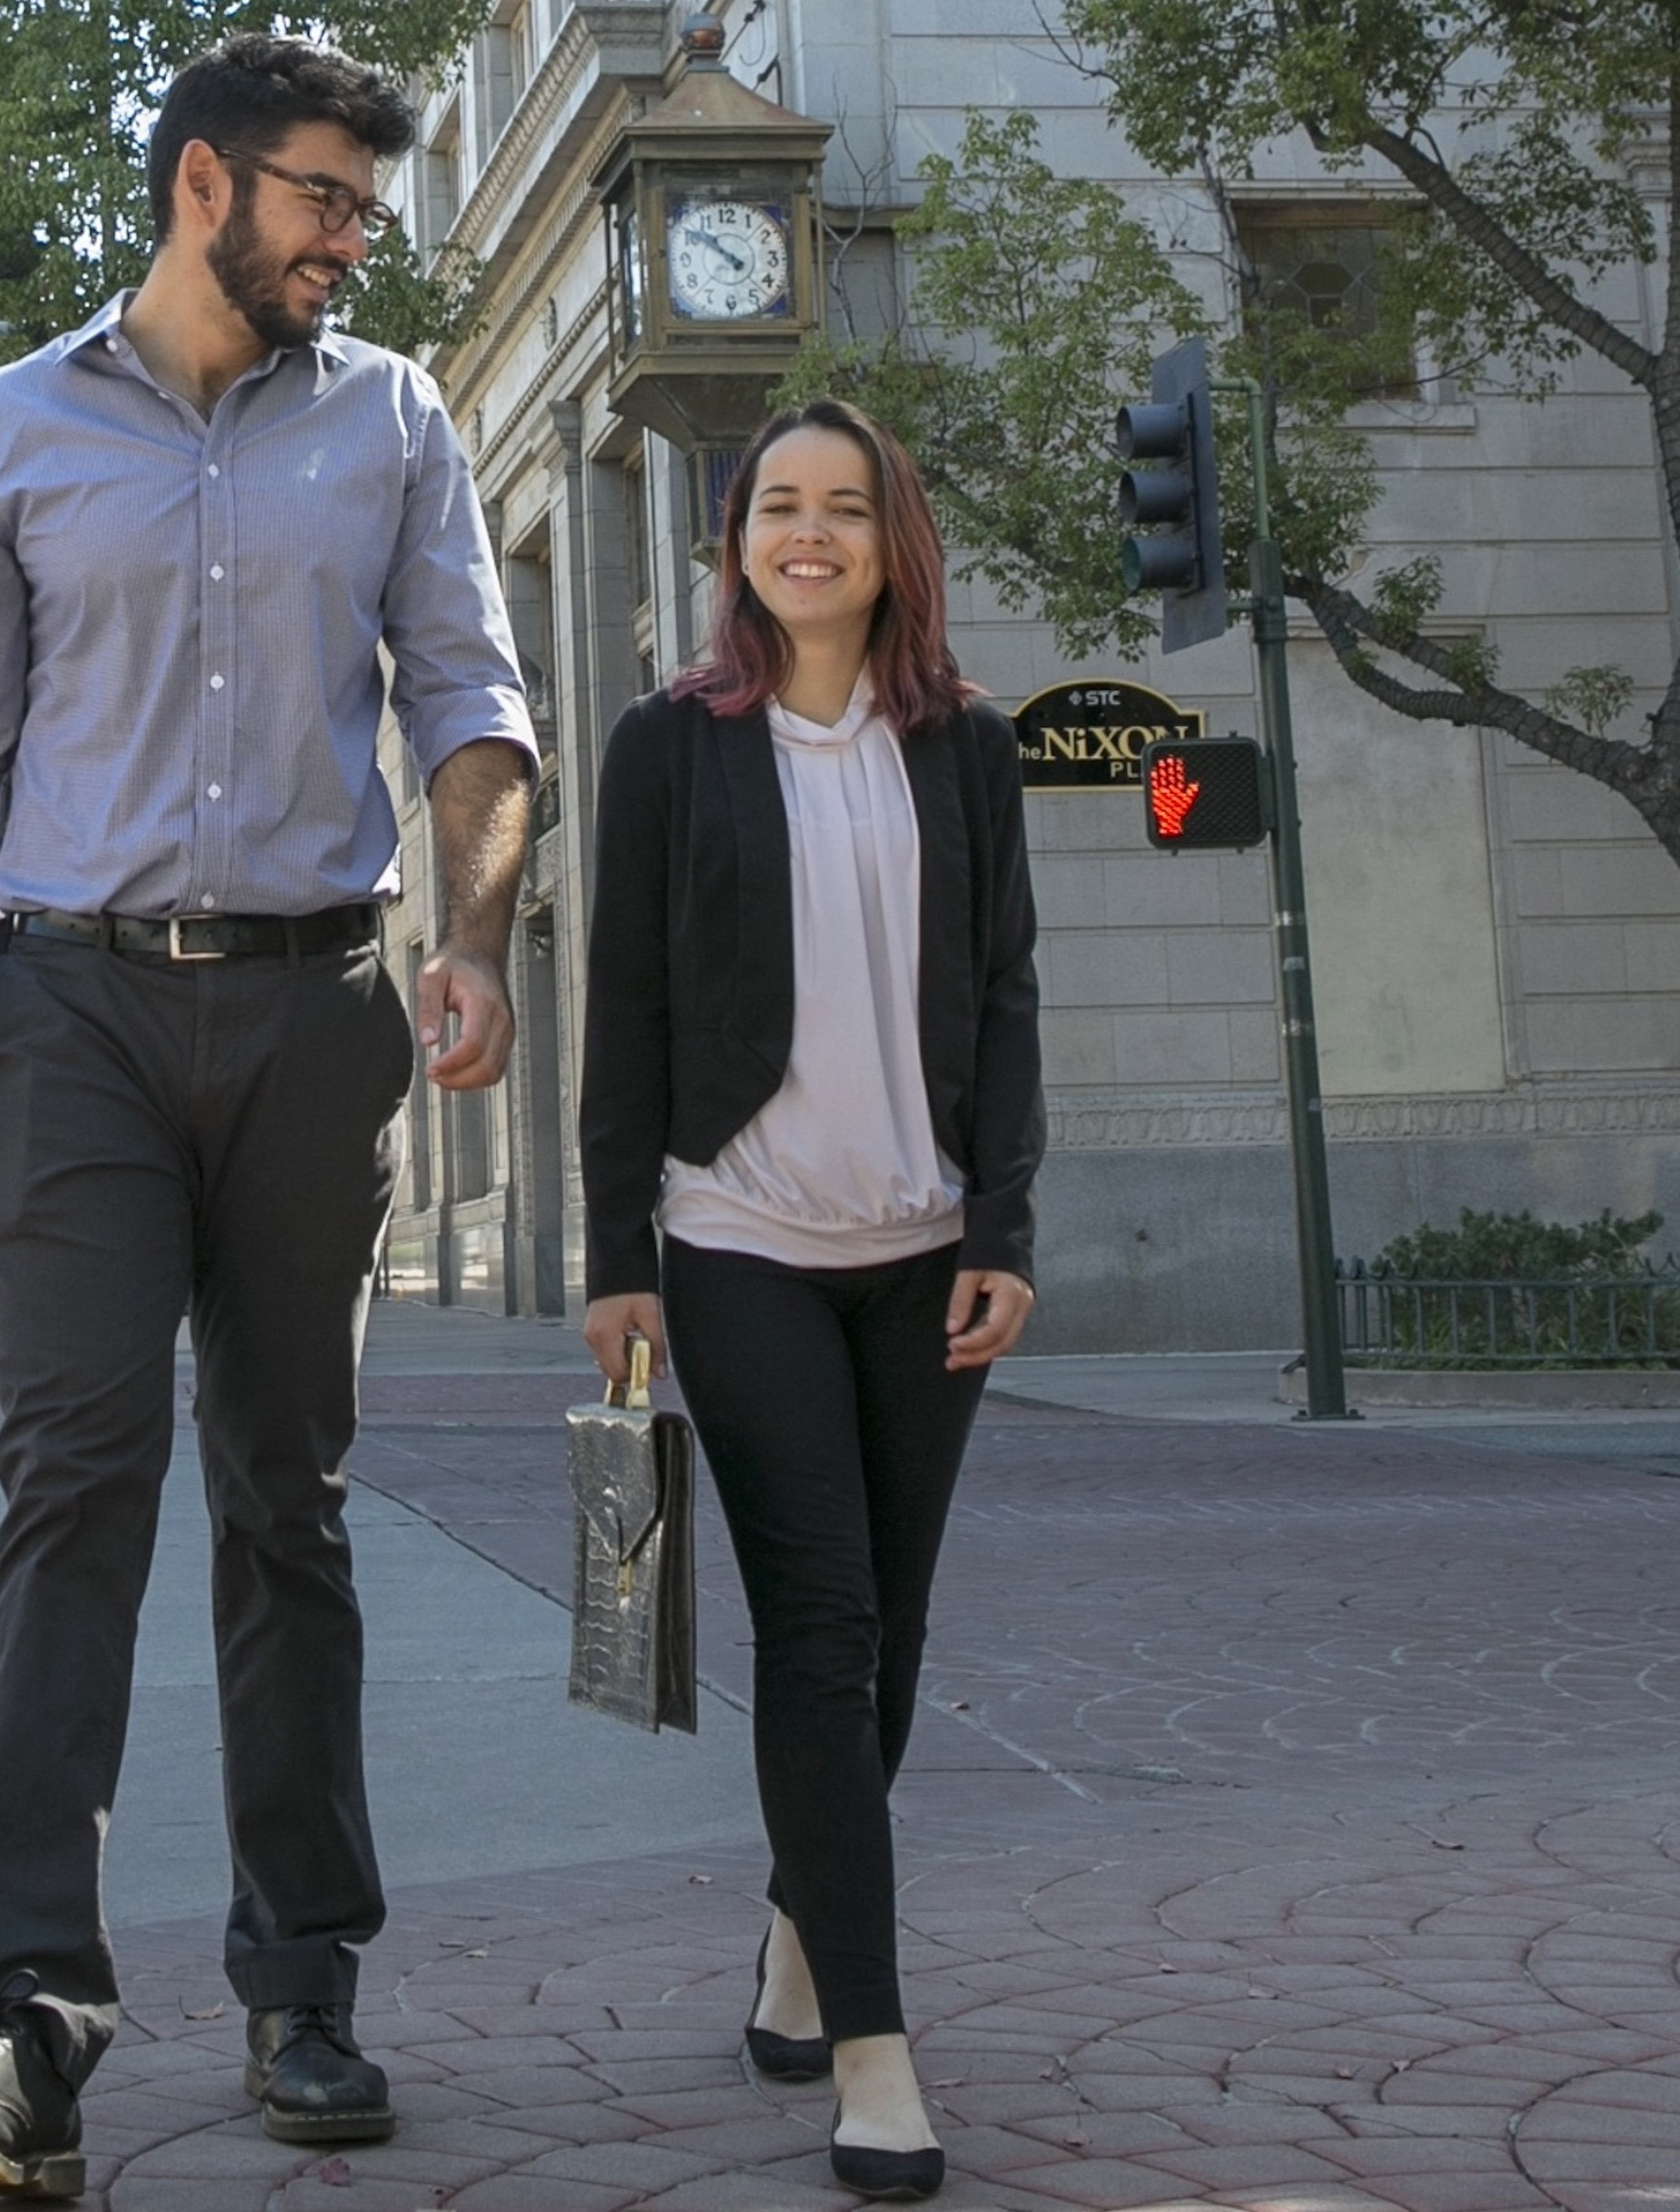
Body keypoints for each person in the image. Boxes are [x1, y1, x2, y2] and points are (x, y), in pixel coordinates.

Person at [0, 33, 536, 2201]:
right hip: (69, 1010)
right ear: (203, 186)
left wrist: (482, 933)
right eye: (327, 197)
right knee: (72, 1483)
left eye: (366, 207)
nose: (353, 239)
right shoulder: (14, 426)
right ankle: (21, 2034)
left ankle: (302, 1982)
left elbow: (475, 707)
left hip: (323, 1005)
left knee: (287, 1494)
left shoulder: (398, 419)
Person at [578, 398, 1042, 2203]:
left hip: (927, 1252)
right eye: (781, 505)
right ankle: (875, 2054)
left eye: (847, 508)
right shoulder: (668, 746)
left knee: (896, 1641)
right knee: (824, 1632)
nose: (811, 533)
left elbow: (1005, 993)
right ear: (739, 543)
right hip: (742, 1240)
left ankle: (798, 1946)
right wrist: (617, 1256)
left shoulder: (970, 746)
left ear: (890, 544)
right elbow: (625, 1014)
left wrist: (1004, 1221)